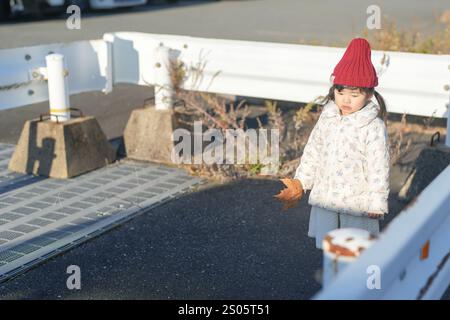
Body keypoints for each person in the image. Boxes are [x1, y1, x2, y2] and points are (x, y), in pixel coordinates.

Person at [274, 38, 390, 249]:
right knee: (329, 246)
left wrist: (377, 201)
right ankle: (334, 278)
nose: (346, 100)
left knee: (355, 247)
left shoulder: (372, 126)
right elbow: (314, 151)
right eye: (340, 92)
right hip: (327, 197)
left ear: (370, 94)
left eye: (354, 94)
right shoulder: (328, 117)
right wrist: (302, 181)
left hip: (357, 202)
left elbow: (378, 166)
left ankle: (355, 281)